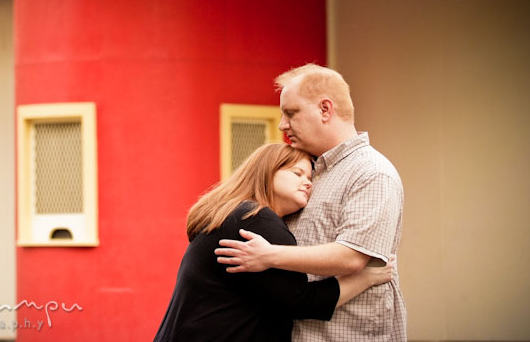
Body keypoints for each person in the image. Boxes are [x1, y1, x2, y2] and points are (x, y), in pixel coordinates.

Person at [215, 64, 407, 341]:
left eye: (291, 113)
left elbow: (352, 257)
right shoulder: (309, 171)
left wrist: (268, 255)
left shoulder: (371, 172)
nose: (282, 125)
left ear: (325, 110)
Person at [154, 143, 394, 342]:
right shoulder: (255, 219)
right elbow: (302, 301)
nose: (308, 182)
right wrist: (368, 276)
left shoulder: (233, 214)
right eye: (296, 173)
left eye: (310, 177)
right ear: (266, 173)